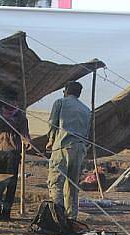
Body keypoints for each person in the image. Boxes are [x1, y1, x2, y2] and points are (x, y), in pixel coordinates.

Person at [46, 81, 92, 221]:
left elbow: (52, 124)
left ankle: (57, 217)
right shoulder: (86, 109)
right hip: (79, 149)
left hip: (62, 146)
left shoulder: (60, 102)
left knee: (55, 183)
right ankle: (71, 217)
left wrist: (50, 140)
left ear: (66, 91)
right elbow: (88, 131)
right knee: (72, 185)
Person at [0, 90, 30, 221]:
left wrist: (26, 141)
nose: (11, 104)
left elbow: (25, 136)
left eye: (13, 102)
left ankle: (6, 213)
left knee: (10, 185)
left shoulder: (21, 117)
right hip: (0, 151)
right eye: (9, 101)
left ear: (16, 102)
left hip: (13, 152)